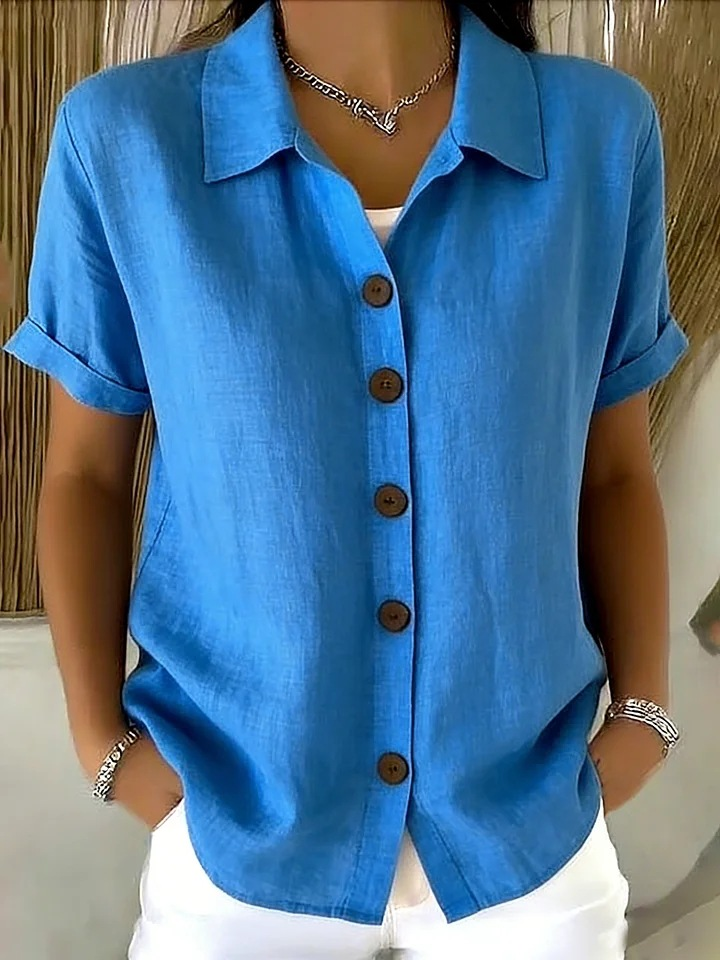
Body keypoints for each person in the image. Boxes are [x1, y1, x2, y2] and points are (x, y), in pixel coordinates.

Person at [3, 0, 689, 957]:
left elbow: (613, 470)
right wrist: (103, 745)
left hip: (529, 840)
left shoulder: (598, 135)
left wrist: (644, 717)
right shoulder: (125, 139)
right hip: (238, 828)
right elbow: (84, 472)